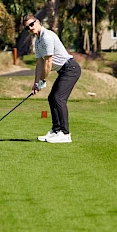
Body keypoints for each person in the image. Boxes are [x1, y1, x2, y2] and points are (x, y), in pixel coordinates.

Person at [24, 14, 81, 144]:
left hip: (70, 69)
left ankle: (65, 134)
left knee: (59, 98)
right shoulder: (37, 41)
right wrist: (36, 83)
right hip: (64, 71)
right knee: (52, 98)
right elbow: (39, 63)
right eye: (27, 27)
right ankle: (56, 131)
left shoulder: (47, 36)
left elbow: (48, 62)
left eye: (32, 24)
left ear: (37, 22)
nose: (30, 28)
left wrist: (42, 81)